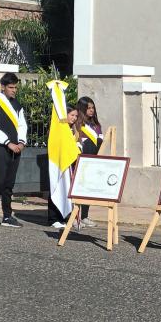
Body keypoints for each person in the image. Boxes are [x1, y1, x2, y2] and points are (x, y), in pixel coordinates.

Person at [0, 73, 27, 228]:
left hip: (15, 148)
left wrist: (22, 142)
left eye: (15, 87)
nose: (14, 90)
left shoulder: (17, 104)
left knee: (9, 183)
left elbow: (22, 125)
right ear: (2, 87)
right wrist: (8, 143)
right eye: (11, 87)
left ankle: (7, 216)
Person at [47, 104, 81, 229]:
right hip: (58, 164)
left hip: (70, 164)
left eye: (76, 116)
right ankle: (53, 218)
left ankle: (62, 217)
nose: (74, 118)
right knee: (56, 188)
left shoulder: (73, 129)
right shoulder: (58, 129)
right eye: (72, 115)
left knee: (66, 191)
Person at [76, 96, 103, 227]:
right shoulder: (78, 125)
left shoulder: (96, 125)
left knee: (88, 190)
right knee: (78, 189)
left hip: (93, 160)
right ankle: (75, 216)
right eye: (88, 108)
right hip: (81, 161)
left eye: (93, 108)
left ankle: (85, 216)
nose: (91, 110)